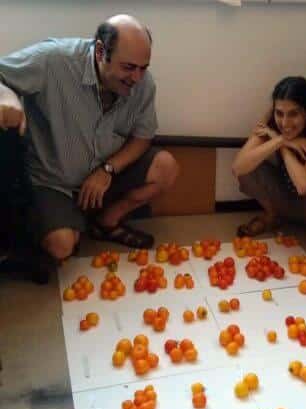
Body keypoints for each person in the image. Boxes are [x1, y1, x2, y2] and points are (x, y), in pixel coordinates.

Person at [0, 14, 179, 262]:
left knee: (166, 167)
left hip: (106, 174)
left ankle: (106, 222)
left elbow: (142, 137)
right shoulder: (54, 60)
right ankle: (67, 222)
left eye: (143, 68)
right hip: (54, 181)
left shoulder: (143, 83)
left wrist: (108, 170)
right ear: (99, 52)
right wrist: (7, 98)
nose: (137, 78)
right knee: (60, 246)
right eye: (128, 67)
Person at [232, 76, 306, 259]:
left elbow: (304, 185)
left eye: (293, 114)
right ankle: (272, 216)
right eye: (280, 114)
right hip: (285, 195)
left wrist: (283, 145)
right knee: (249, 166)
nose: (284, 123)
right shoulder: (273, 116)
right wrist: (282, 140)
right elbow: (238, 167)